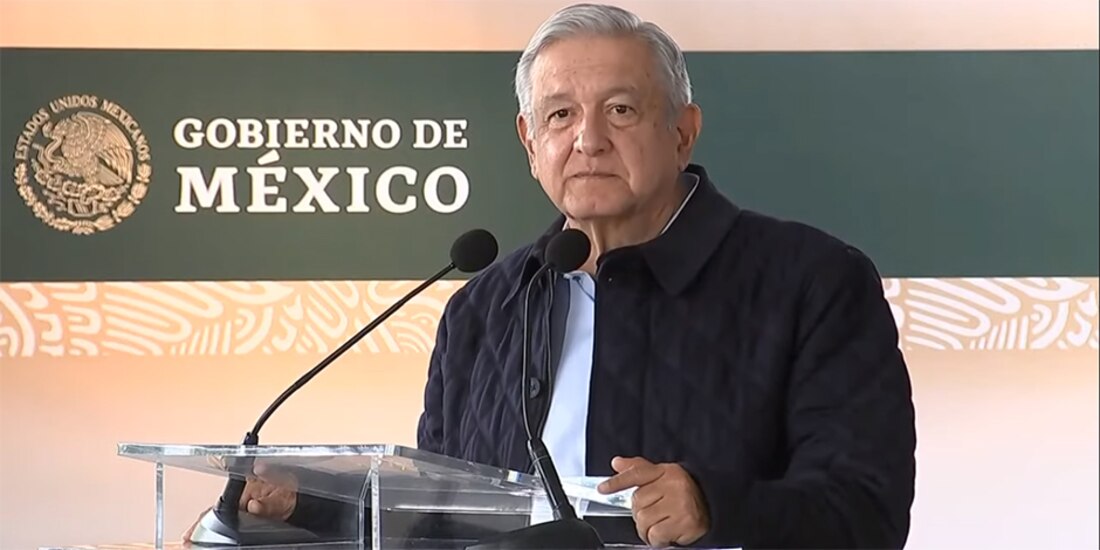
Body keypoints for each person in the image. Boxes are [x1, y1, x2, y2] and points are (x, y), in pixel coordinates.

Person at [187, 3, 916, 548]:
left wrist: (715, 506)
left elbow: (867, 510)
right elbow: (442, 519)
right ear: (529, 141)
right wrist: (308, 506)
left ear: (683, 130)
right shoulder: (483, 308)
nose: (588, 139)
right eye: (560, 114)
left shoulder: (813, 282)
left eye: (621, 110)